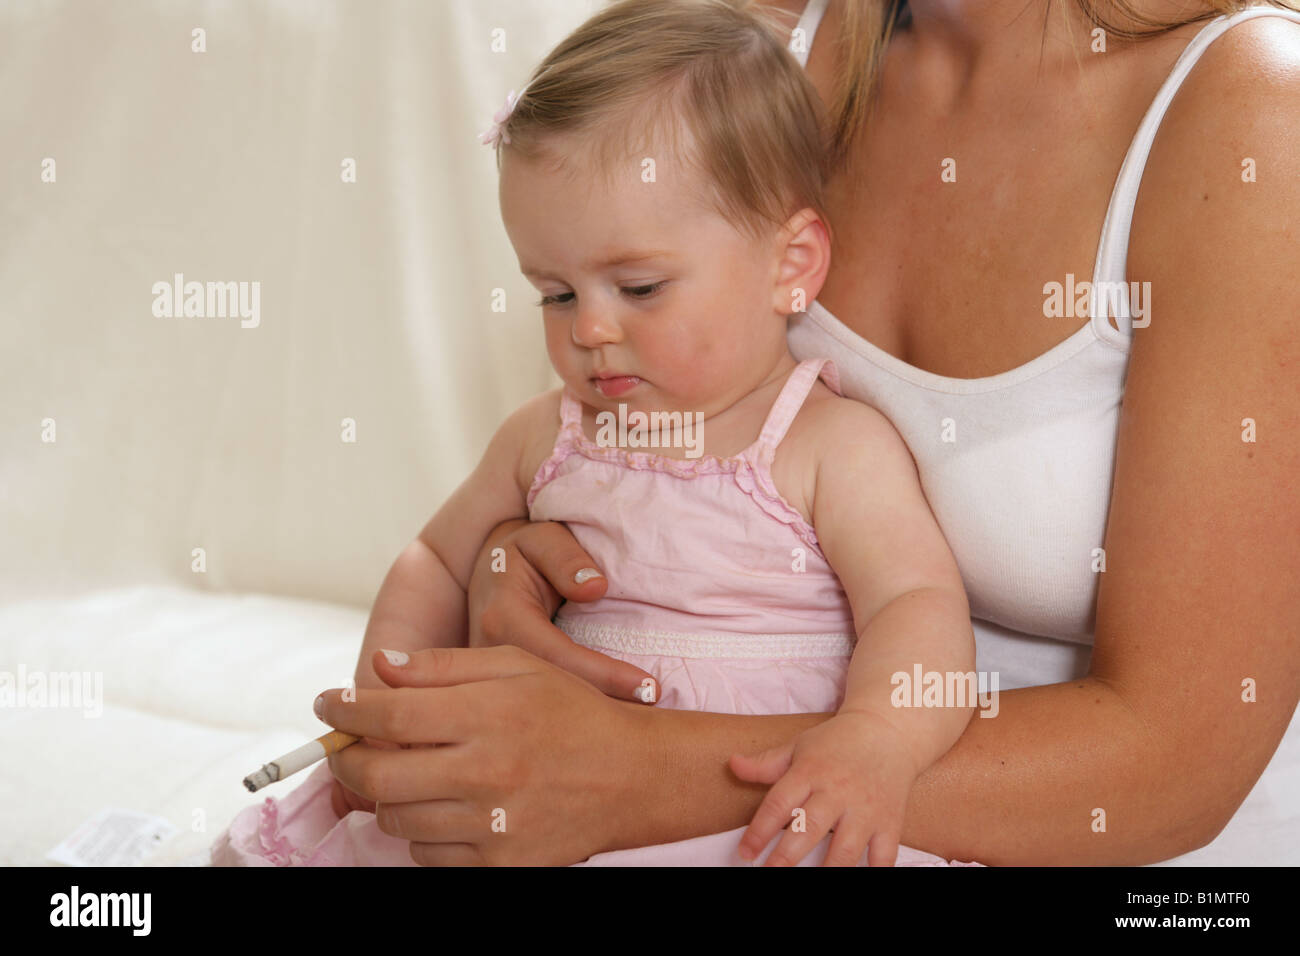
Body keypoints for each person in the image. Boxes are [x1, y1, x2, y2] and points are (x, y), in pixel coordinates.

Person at [240, 0, 1300, 866]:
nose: (588, 322)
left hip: (1067, 841)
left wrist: (636, 772)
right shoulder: (740, 60)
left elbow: (1172, 767)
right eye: (554, 295)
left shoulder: (1254, 115)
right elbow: (621, 448)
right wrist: (512, 569)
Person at [212, 0, 991, 867]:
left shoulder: (828, 446)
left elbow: (915, 605)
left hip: (737, 803)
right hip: (541, 794)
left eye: (641, 288)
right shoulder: (547, 436)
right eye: (556, 293)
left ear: (790, 266)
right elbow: (434, 561)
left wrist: (880, 738)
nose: (588, 330)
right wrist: (387, 701)